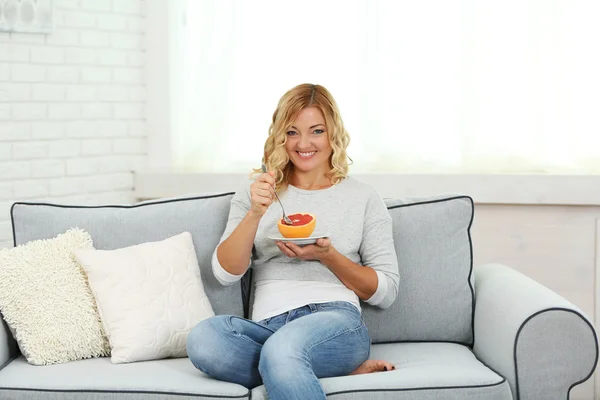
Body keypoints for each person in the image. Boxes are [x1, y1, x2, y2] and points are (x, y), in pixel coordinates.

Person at [186, 83, 400, 400]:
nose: (303, 144)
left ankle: (293, 361)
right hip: (267, 325)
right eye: (291, 132)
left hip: (335, 320)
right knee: (204, 339)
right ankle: (316, 368)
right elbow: (225, 272)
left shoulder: (364, 197)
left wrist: (329, 257)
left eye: (316, 131)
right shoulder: (257, 191)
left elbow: (385, 291)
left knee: (282, 349)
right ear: (280, 136)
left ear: (333, 134)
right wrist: (256, 213)